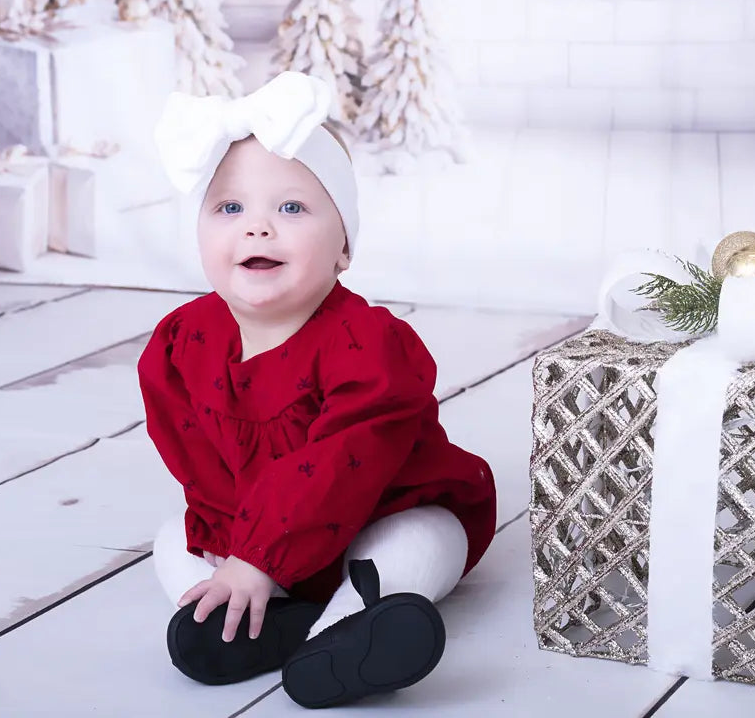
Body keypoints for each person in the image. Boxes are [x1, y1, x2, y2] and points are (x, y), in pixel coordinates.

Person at [138, 71, 497, 709]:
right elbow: (196, 463)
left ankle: (344, 628)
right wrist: (241, 552)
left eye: (292, 208)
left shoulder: (368, 342)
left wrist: (262, 558)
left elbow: (340, 462)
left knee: (425, 540)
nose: (257, 228)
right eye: (229, 208)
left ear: (343, 249)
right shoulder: (179, 343)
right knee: (172, 537)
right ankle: (251, 618)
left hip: (378, 511)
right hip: (253, 537)